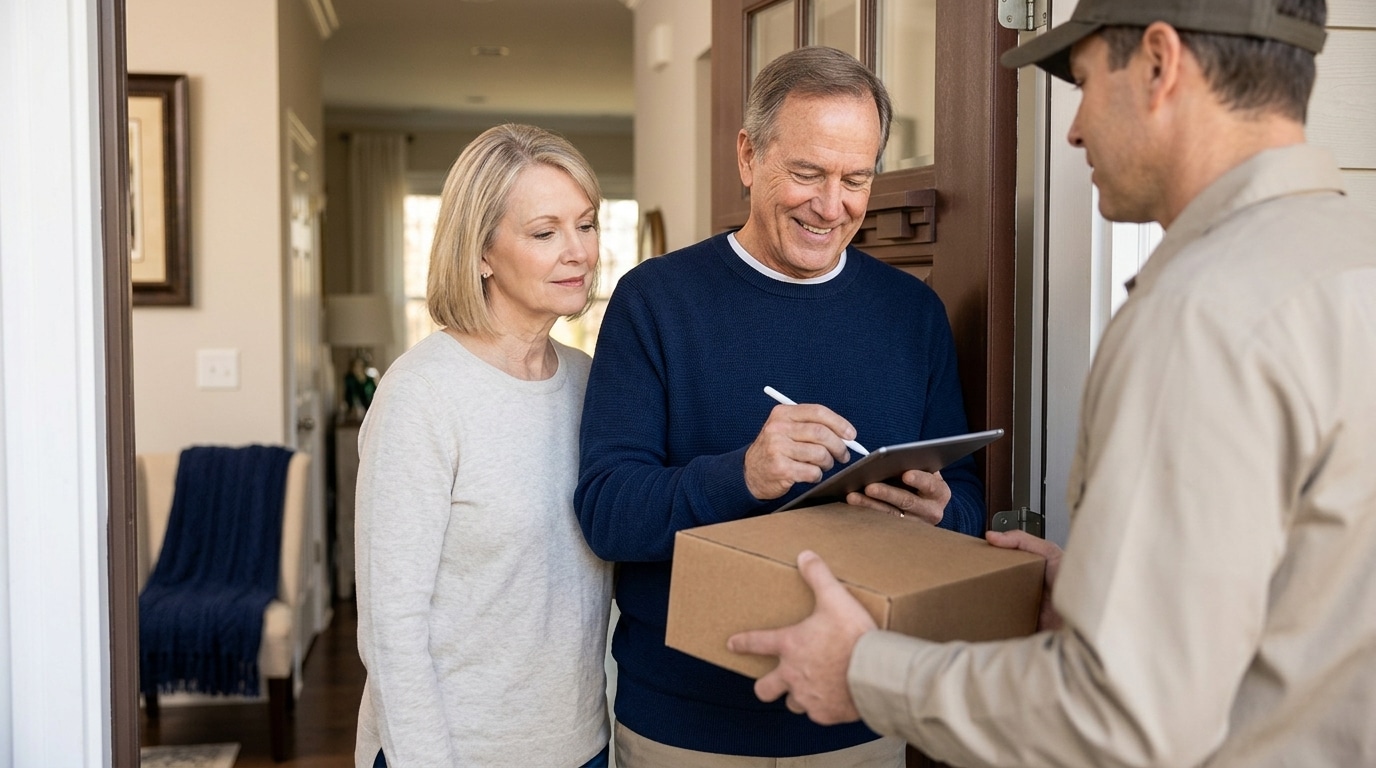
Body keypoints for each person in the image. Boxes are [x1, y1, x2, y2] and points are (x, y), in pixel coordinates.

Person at [729, 1, 1376, 765]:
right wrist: (1106, 591)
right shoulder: (1352, 259)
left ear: (1161, 65)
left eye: (1087, 82)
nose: (1072, 129)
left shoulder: (1199, 315)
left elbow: (1121, 715)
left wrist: (866, 671)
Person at [577, 46, 987, 766]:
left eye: (855, 178)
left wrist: (941, 515)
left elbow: (969, 503)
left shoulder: (913, 315)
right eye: (807, 174)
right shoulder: (655, 301)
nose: (832, 207)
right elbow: (607, 511)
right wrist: (744, 475)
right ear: (748, 156)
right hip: (684, 727)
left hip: (861, 718)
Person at [353, 123, 613, 768]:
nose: (578, 252)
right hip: (453, 752)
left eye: (586, 224)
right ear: (480, 253)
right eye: (545, 232)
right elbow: (392, 629)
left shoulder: (587, 383)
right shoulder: (421, 396)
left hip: (582, 745)